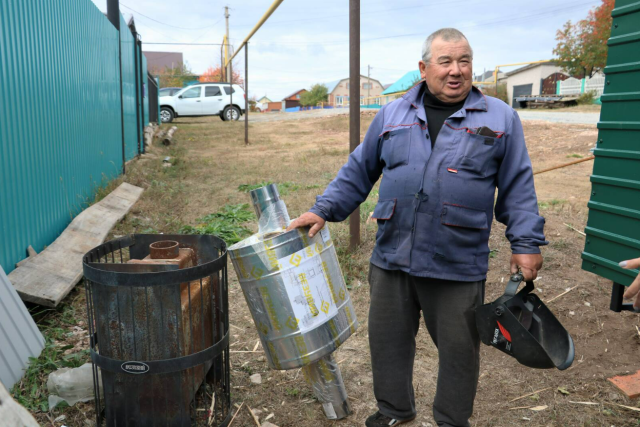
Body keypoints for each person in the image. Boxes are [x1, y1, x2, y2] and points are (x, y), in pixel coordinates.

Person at [287, 28, 547, 427]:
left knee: (460, 351)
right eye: (445, 62)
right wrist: (323, 209)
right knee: (388, 344)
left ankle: (451, 420)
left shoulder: (500, 118)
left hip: (457, 259)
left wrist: (526, 242)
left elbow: (518, 186)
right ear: (424, 68)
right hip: (393, 254)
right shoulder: (393, 114)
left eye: (464, 61)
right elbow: (359, 170)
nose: (456, 71)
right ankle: (394, 412)